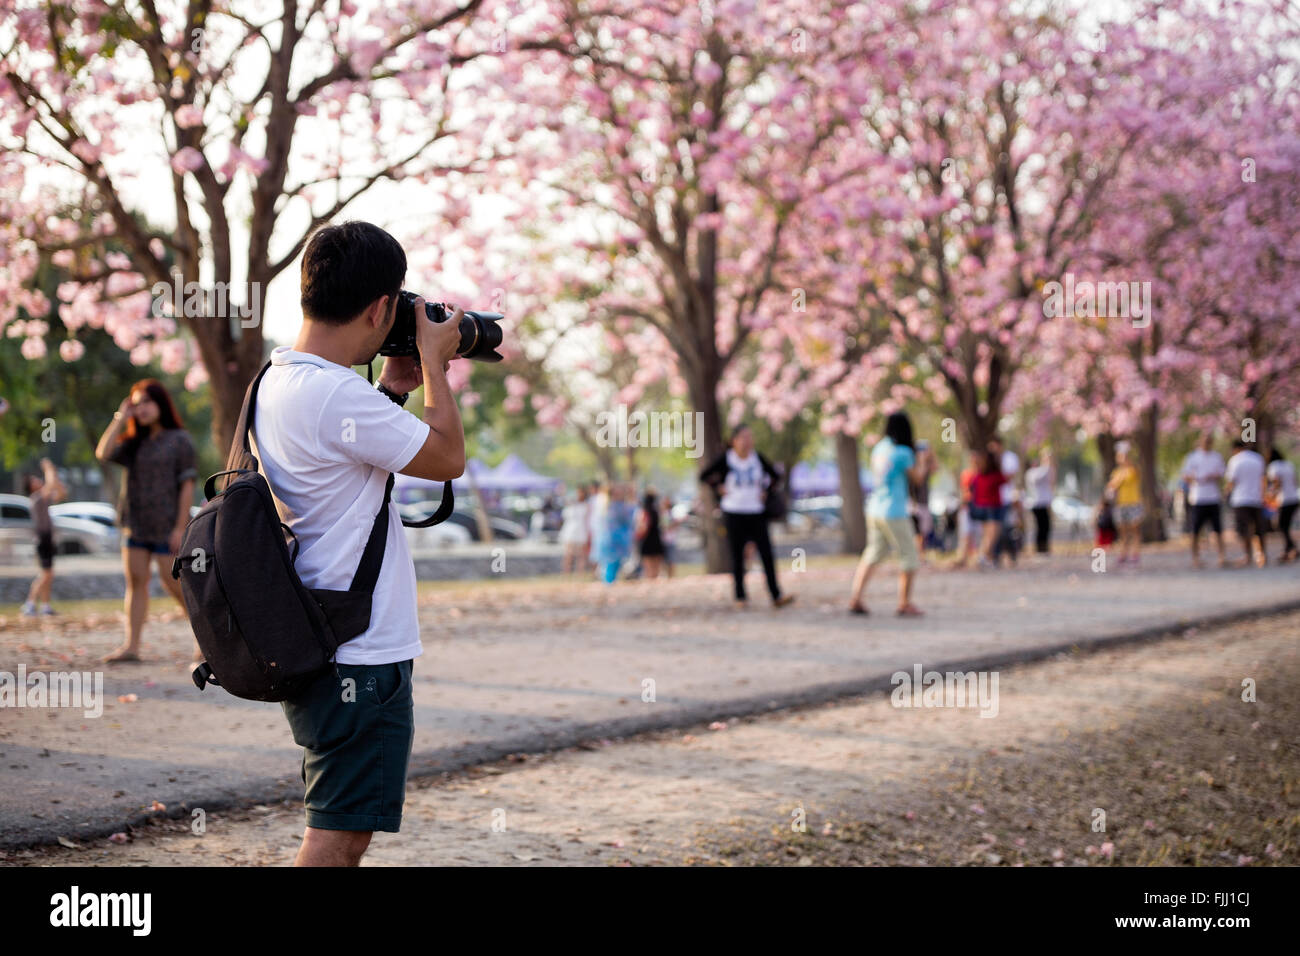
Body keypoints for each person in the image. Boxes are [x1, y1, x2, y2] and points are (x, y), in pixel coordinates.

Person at [246, 221, 465, 865]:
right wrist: (433, 363)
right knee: (338, 839)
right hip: (358, 655)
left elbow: (347, 456)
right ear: (379, 308)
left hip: (321, 634)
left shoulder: (280, 379)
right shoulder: (331, 392)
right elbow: (448, 457)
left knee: (340, 826)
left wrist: (395, 386)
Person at [95, 378, 198, 662]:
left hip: (168, 525)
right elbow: (103, 453)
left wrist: (180, 528)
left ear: (161, 403)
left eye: (147, 402)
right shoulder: (132, 443)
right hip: (135, 522)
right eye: (137, 404)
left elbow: (187, 485)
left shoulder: (180, 440)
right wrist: (120, 416)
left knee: (174, 584)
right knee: (136, 581)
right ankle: (132, 646)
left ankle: (204, 643)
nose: (142, 409)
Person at [699, 424, 794, 608]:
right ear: (733, 440)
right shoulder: (727, 459)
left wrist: (766, 490)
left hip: (756, 511)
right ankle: (740, 596)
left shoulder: (757, 458)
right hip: (733, 511)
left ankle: (776, 595)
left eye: (750, 437)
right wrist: (718, 489)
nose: (747, 441)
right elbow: (704, 476)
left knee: (766, 554)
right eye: (743, 437)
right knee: (737, 555)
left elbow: (776, 476)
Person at [849, 411, 930, 615]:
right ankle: (904, 603)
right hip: (894, 510)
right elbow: (918, 479)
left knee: (873, 553)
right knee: (910, 555)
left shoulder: (880, 448)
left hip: (874, 507)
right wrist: (922, 459)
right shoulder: (903, 452)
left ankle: (856, 597)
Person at [20, 458, 66, 617]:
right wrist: (49, 469)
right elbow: (51, 485)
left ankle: (45, 605)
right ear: (31, 487)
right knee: (46, 574)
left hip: (47, 539)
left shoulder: (43, 499)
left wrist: (53, 475)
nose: (37, 480)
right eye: (34, 480)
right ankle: (30, 603)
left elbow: (60, 492)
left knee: (48, 574)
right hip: (42, 539)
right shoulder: (37, 498)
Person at [1179, 434, 1227, 568]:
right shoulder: (1192, 457)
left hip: (1213, 497)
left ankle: (1221, 556)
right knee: (1195, 531)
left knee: (1218, 530)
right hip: (1198, 498)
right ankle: (1195, 558)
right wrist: (1196, 478)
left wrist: (1213, 476)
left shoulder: (1216, 457)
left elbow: (1222, 473)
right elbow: (1184, 476)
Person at [1225, 439, 1268, 567]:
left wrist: (1226, 493)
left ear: (1235, 448)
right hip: (1256, 498)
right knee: (1258, 529)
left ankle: (1248, 556)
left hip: (1240, 499)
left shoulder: (1235, 460)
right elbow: (1263, 479)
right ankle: (1262, 554)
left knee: (1244, 530)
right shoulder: (1258, 459)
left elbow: (1231, 481)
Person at [1104, 442, 1143, 566]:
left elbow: (1136, 473)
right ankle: (1123, 553)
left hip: (1133, 502)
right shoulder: (1117, 472)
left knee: (1134, 529)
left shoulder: (1133, 469)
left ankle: (1135, 553)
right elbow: (1111, 485)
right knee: (1123, 531)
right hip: (1121, 504)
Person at [970, 450, 1007, 568]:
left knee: (986, 535)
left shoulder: (978, 476)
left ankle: (986, 558)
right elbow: (1005, 480)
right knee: (992, 534)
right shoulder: (995, 476)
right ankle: (983, 556)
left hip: (981, 507)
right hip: (993, 507)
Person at [596, 483, 634, 583]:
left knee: (614, 562)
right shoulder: (612, 506)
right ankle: (608, 582)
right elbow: (628, 519)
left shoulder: (610, 505)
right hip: (613, 538)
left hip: (616, 538)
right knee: (612, 562)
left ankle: (609, 581)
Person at [1267, 446, 1298, 563]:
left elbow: (1277, 482)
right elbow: (1295, 480)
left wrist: (1271, 494)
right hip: (1294, 498)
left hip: (1284, 499)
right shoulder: (1288, 464)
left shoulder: (1274, 466)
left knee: (1280, 525)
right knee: (1284, 526)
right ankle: (1290, 548)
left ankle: (1290, 548)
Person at [1024, 449, 1055, 556]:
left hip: (1044, 503)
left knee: (1046, 526)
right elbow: (1042, 475)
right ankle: (1040, 548)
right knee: (1041, 526)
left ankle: (1044, 547)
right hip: (1037, 504)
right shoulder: (1032, 473)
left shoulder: (1044, 470)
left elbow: (1051, 478)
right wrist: (1047, 461)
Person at [559, 484, 590, 574]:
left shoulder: (586, 505)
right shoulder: (570, 505)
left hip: (581, 530)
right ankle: (566, 571)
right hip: (570, 530)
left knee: (581, 554)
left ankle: (580, 571)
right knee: (568, 553)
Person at [636, 489, 667, 579]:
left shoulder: (643, 512)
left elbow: (642, 527)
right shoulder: (657, 511)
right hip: (656, 539)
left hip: (647, 540)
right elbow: (663, 525)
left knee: (648, 569)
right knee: (656, 569)